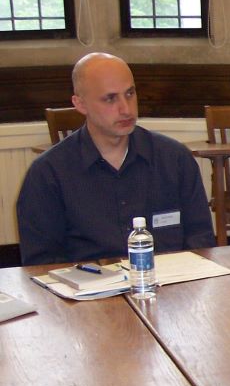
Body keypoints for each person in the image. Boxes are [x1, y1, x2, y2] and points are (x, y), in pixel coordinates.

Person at [17, 53, 215, 266]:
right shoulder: (48, 174)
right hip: (87, 294)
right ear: (80, 104)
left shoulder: (174, 159)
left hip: (170, 289)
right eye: (110, 98)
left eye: (130, 94)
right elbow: (41, 265)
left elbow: (200, 242)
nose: (126, 109)